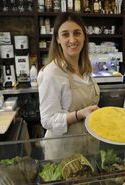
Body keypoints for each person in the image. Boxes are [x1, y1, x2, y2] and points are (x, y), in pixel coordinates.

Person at [37, 12, 100, 159]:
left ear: (84, 37)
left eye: (77, 33)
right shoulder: (51, 73)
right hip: (64, 152)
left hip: (88, 146)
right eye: (65, 34)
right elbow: (47, 120)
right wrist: (79, 115)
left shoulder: (86, 69)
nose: (72, 39)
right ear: (58, 39)